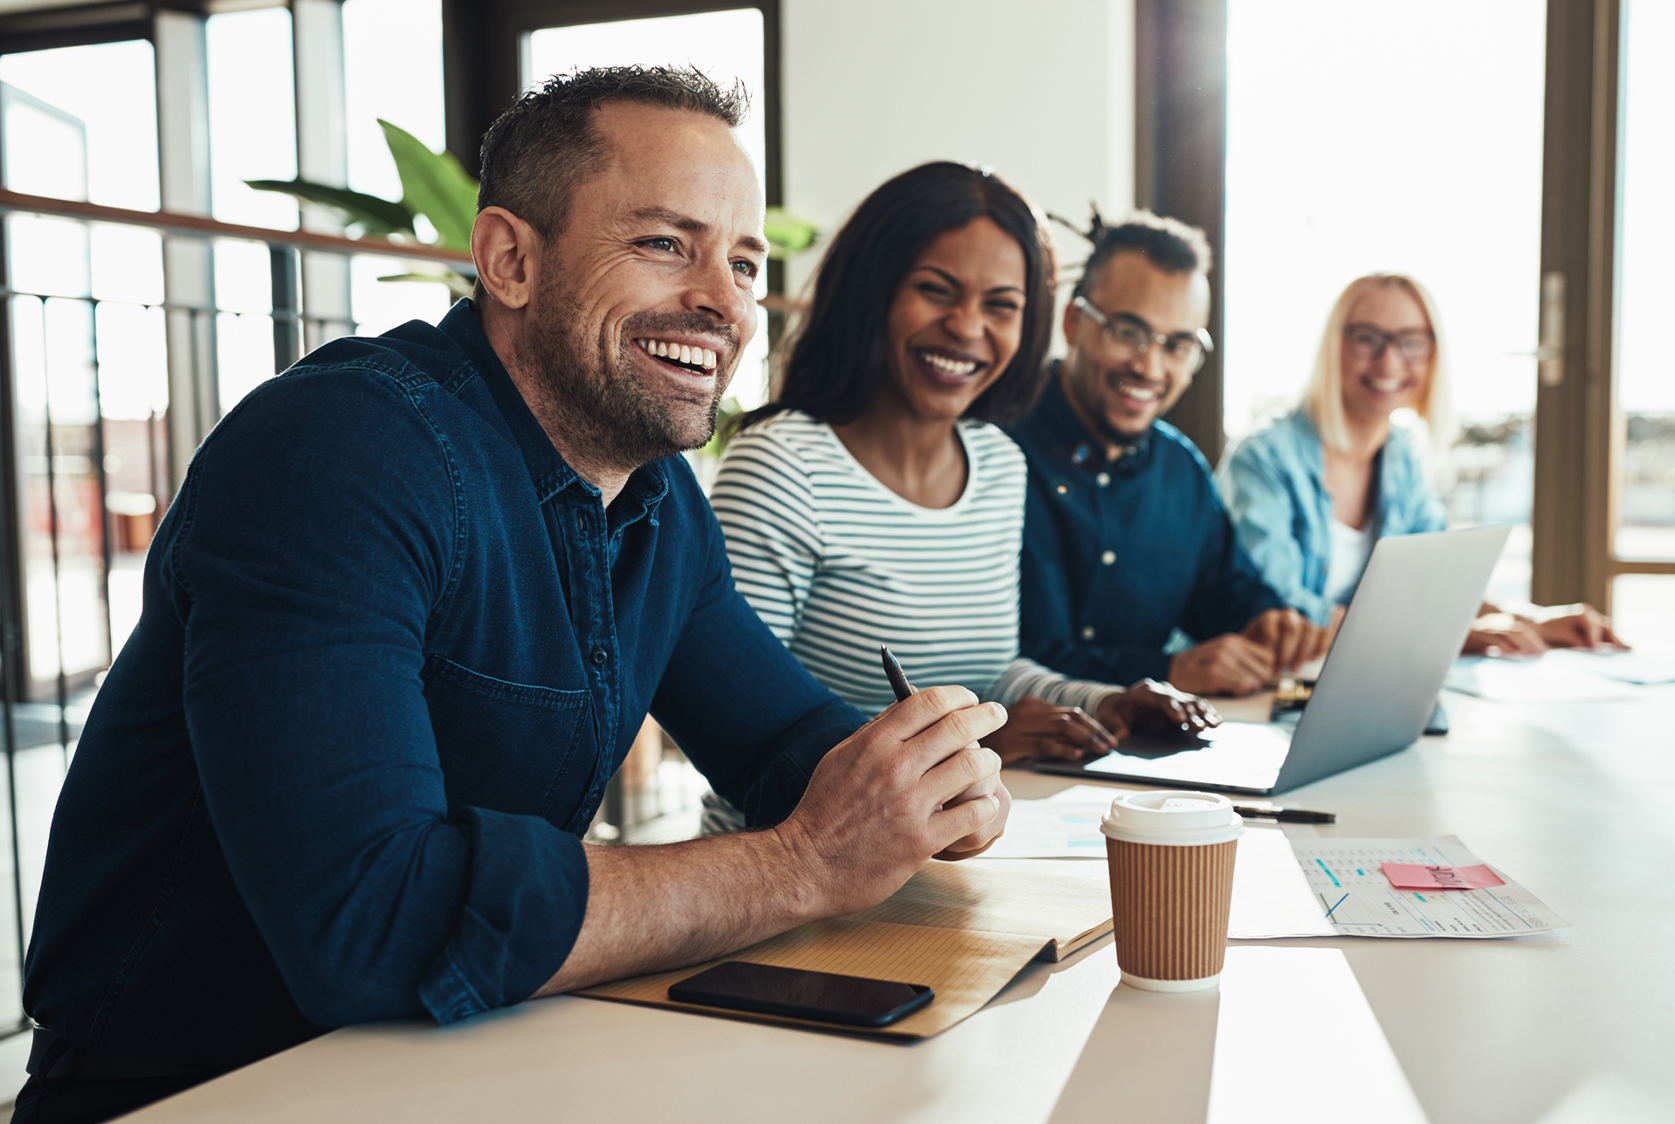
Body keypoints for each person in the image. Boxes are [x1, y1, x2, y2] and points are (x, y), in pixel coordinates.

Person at [18, 68, 1012, 1124]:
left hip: (466, 1059)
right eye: (663, 242)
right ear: (509, 260)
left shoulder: (658, 498)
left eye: (742, 262)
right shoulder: (342, 449)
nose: (725, 305)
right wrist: (802, 863)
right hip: (200, 1090)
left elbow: (782, 743)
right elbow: (373, 922)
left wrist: (917, 783)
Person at [709, 163, 1217, 777]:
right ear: (873, 291)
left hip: (969, 826)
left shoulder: (998, 463)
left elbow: (990, 675)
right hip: (802, 838)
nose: (967, 326)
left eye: (1001, 305)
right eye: (936, 291)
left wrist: (1106, 702)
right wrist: (970, 745)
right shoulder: (781, 466)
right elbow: (737, 725)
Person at [1008, 211, 1329, 699]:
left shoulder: (1181, 471)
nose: (1150, 367)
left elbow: (1226, 592)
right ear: (1073, 322)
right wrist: (1164, 670)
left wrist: (1268, 623)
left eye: (1178, 345)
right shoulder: (993, 450)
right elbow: (993, 663)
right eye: (1127, 332)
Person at [1217, 272, 1624, 656]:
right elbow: (1277, 612)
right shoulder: (1263, 457)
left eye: (1411, 342)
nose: (1389, 362)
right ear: (1333, 345)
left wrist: (1528, 618)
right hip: (1270, 683)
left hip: (1365, 676)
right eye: (1367, 339)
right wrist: (1446, 635)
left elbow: (1437, 581)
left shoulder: (1400, 455)